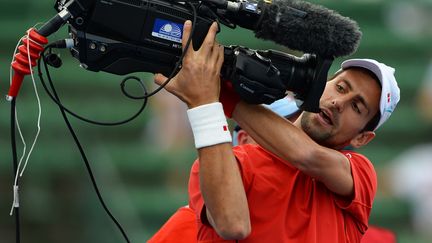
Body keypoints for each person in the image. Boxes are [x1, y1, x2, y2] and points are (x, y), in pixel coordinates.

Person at [150, 20, 400, 243]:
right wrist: (208, 97)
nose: (339, 103)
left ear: (362, 138)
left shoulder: (360, 173)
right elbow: (232, 223)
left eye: (357, 107)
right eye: (341, 87)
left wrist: (212, 96)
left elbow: (307, 156)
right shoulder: (230, 162)